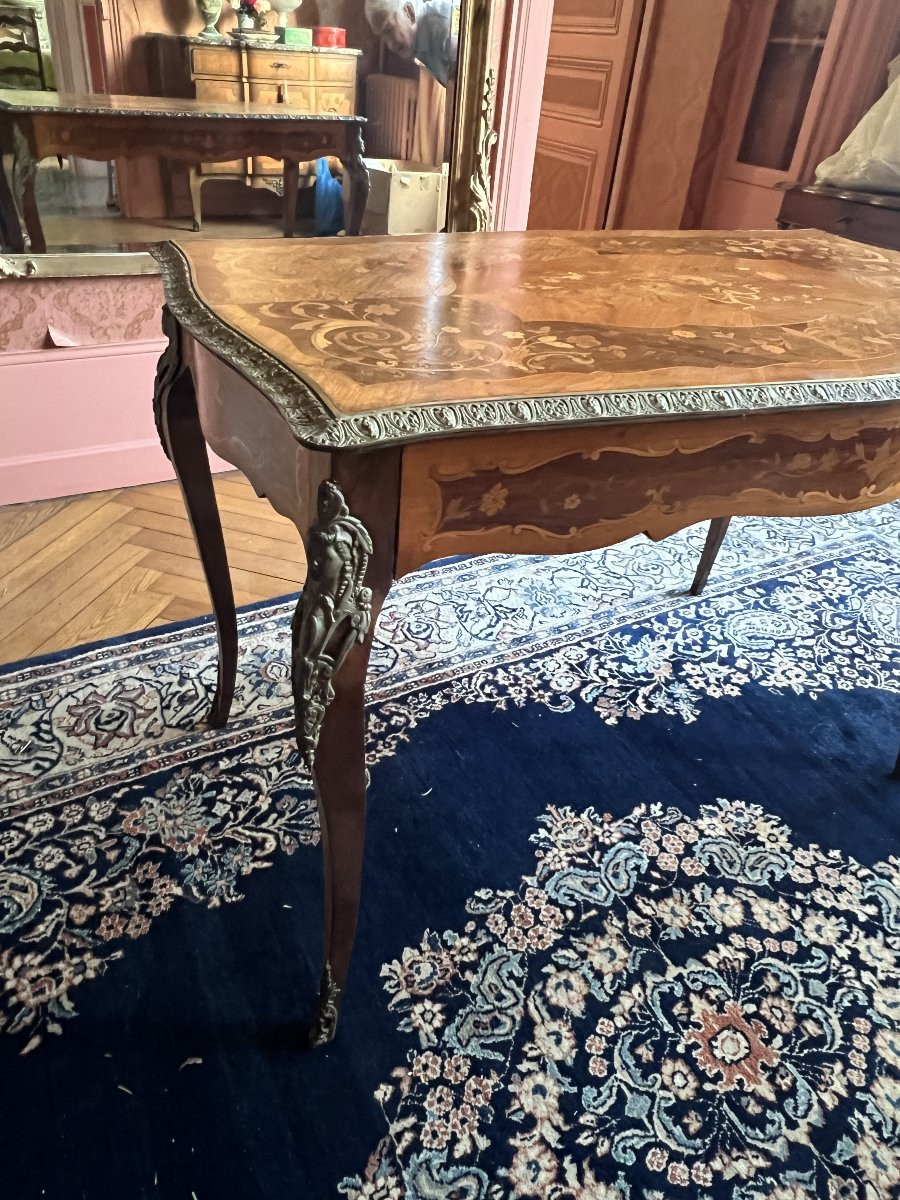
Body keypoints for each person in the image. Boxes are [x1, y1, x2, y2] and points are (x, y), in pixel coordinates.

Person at [364, 0, 457, 87]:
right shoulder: (418, 42)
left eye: (389, 29)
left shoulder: (448, 33)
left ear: (409, 12)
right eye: (382, 36)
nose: (390, 45)